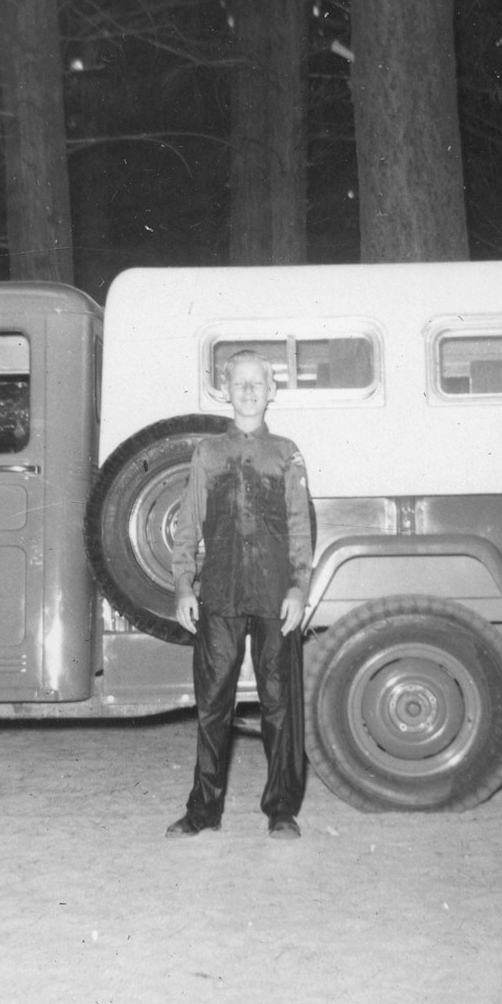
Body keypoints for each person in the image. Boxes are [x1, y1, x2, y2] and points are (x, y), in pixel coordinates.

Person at [166, 350, 313, 840]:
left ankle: (282, 810)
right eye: (240, 382)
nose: (249, 390)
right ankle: (203, 810)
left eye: (258, 383)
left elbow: (299, 527)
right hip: (221, 594)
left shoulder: (287, 453)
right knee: (212, 706)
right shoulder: (208, 453)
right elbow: (187, 523)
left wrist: (299, 587)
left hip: (275, 596)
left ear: (271, 392)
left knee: (279, 705)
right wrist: (184, 583)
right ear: (225, 391)